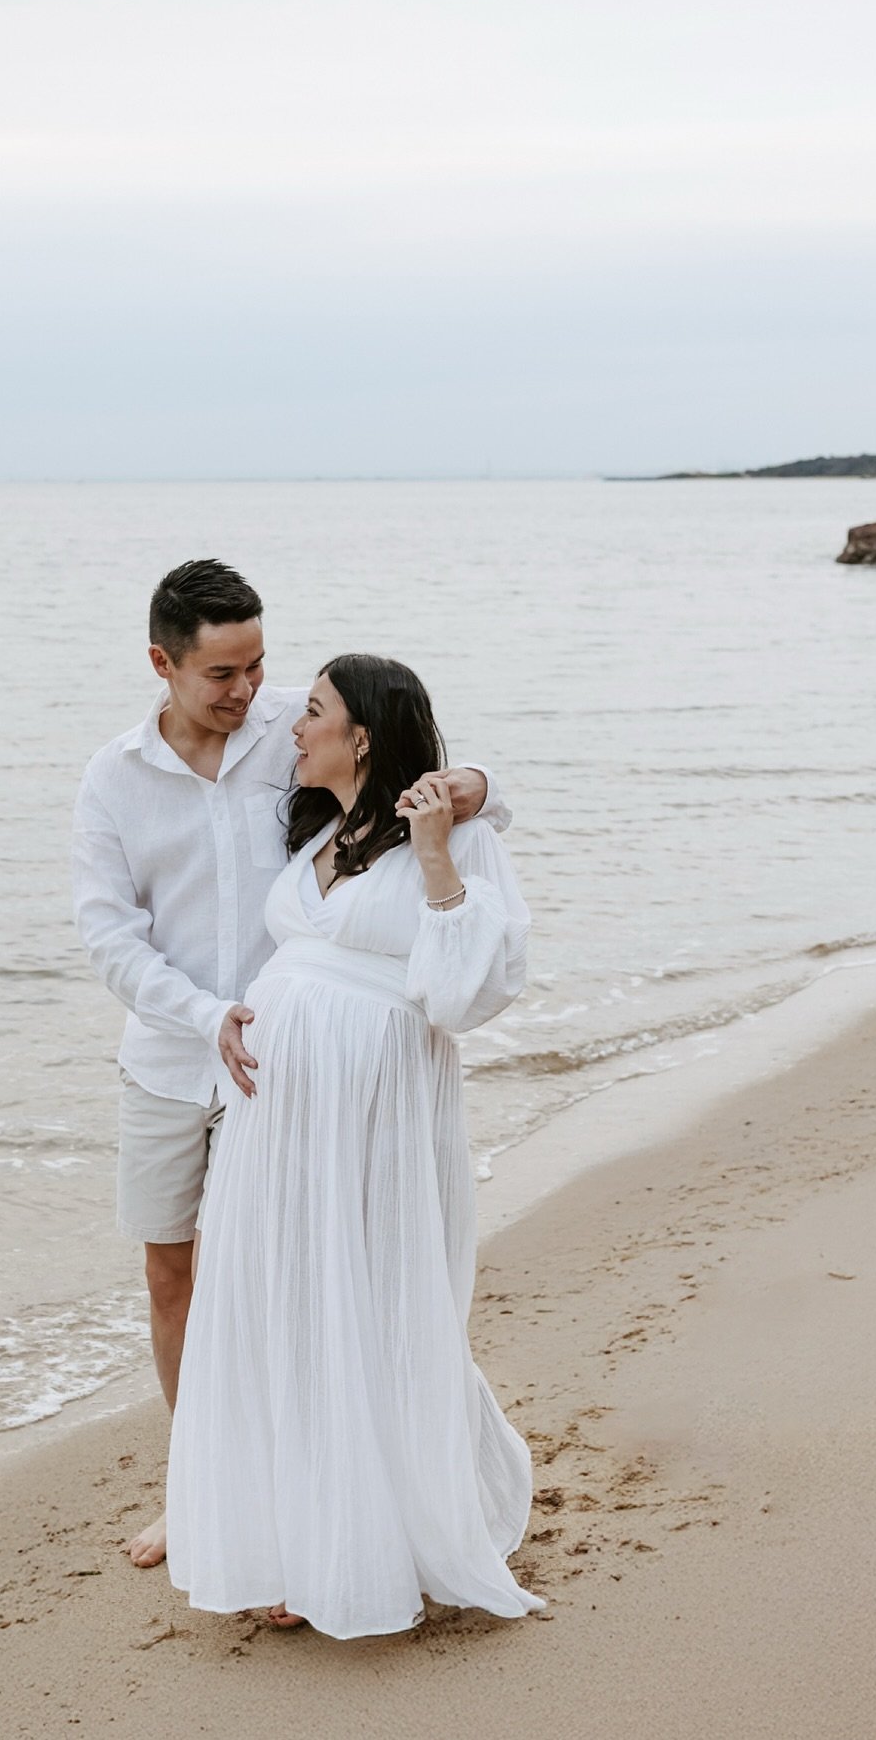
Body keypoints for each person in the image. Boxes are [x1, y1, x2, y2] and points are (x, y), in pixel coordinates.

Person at [72, 562, 508, 1569]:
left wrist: (470, 788)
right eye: (222, 672)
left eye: (258, 663)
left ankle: (293, 1491)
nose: (245, 690)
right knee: (173, 1272)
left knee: (284, 1276)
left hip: (296, 1070)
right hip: (173, 1056)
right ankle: (200, 1488)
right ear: (162, 663)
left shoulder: (296, 731)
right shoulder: (114, 777)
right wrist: (205, 1013)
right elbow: (108, 937)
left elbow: (447, 777)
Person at [166, 653, 544, 1637]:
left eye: (318, 712)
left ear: (364, 735)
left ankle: (367, 1543)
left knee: (366, 1301)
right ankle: (294, 1538)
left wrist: (440, 844)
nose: (295, 725)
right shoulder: (322, 830)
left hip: (374, 1111)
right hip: (276, 1117)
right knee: (282, 1301)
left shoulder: (453, 841)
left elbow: (472, 994)